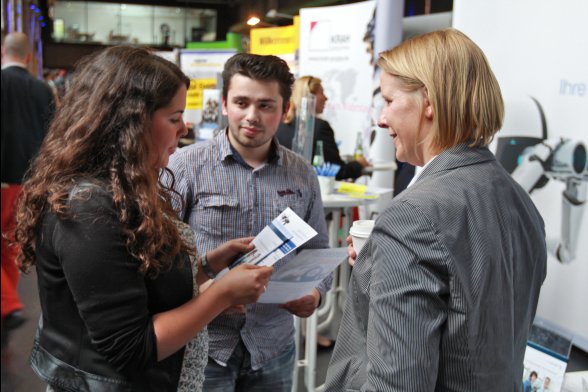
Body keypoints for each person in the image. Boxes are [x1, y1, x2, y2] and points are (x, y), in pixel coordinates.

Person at [12, 46, 272, 392]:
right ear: (132, 122)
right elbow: (131, 348)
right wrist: (221, 295)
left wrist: (208, 266)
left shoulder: (123, 187)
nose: (184, 128)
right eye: (174, 117)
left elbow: (134, 284)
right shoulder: (87, 207)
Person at [324, 28, 547, 391]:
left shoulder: (412, 217)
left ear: (428, 101)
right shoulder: (519, 200)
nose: (381, 120)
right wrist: (380, 264)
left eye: (389, 101)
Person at [167, 53, 331, 391]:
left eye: (266, 106)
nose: (252, 116)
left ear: (285, 110)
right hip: (205, 346)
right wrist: (208, 287)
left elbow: (317, 251)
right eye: (241, 102)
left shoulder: (301, 174)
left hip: (273, 346)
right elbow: (159, 261)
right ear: (224, 104)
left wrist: (314, 293)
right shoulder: (185, 166)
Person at [1, 32, 54, 334]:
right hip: (30, 184)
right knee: (8, 245)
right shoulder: (42, 89)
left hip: (4, 180)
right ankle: (6, 304)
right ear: (30, 56)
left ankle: (8, 304)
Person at [277, 75, 370, 181]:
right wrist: (359, 164)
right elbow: (338, 171)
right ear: (311, 96)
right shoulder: (320, 127)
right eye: (322, 92)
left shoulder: (279, 124)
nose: (326, 98)